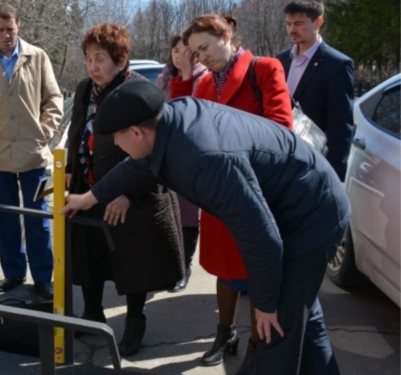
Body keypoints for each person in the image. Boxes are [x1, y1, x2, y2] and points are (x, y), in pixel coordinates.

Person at [62, 80, 347, 375]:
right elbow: (136, 166)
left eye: (117, 140)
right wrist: (89, 198)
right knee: (302, 317)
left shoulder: (202, 158)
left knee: (276, 330)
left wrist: (265, 303)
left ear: (136, 131)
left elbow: (260, 236)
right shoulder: (167, 124)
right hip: (295, 204)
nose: (117, 147)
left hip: (312, 215)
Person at [174, 14, 293, 373]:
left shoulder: (265, 69)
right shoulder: (206, 84)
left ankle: (259, 345)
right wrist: (184, 76)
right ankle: (225, 335)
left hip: (256, 192)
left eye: (205, 48)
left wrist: (231, 152)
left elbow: (281, 130)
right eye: (196, 52)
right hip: (220, 195)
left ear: (226, 35)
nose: (202, 58)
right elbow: (184, 125)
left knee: (257, 270)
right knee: (226, 270)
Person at [66, 23, 184, 356]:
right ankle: (91, 312)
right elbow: (77, 134)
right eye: (89, 58)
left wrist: (127, 193)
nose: (93, 66)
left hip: (131, 194)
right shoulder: (85, 90)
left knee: (133, 261)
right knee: (89, 253)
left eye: (100, 58)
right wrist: (71, 174)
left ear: (120, 59)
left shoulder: (139, 91)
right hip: (90, 187)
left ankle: (135, 321)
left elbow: (157, 152)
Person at [0, 3, 63, 299]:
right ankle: (13, 273)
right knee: (4, 219)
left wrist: (43, 131)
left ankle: (44, 277)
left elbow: (54, 99)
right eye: (0, 30)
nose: (6, 35)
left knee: (39, 219)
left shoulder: (38, 57)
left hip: (35, 157)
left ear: (18, 26)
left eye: (11, 28)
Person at [276, 0, 355, 180]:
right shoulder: (280, 60)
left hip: (314, 165)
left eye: (299, 24)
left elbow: (341, 127)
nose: (292, 29)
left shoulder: (337, 64)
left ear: (318, 22)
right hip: (280, 160)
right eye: (288, 24)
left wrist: (332, 177)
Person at [155, 35, 208, 292]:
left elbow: (191, 111)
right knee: (167, 213)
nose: (179, 56)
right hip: (166, 157)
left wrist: (187, 75)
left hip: (191, 158)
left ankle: (184, 267)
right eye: (175, 50)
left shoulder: (204, 78)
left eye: (184, 51)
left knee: (188, 216)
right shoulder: (162, 79)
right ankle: (168, 266)